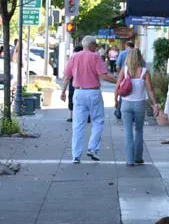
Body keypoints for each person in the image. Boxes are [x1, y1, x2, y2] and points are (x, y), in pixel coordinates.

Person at [60, 35, 117, 163]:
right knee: (98, 121)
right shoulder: (95, 57)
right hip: (93, 93)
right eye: (95, 46)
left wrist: (63, 92)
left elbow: (67, 77)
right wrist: (118, 81)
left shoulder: (74, 57)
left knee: (78, 124)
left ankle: (76, 155)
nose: (96, 48)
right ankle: (92, 148)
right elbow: (103, 76)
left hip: (78, 92)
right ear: (92, 46)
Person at [114, 49, 158, 166]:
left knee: (128, 131)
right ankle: (138, 157)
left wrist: (116, 101)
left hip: (126, 104)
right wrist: (155, 104)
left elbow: (117, 86)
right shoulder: (144, 72)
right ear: (140, 58)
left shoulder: (125, 70)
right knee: (139, 130)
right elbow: (150, 90)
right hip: (139, 104)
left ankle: (129, 160)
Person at [114, 42, 142, 120]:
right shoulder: (138, 54)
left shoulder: (123, 53)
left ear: (126, 46)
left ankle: (119, 112)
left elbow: (117, 66)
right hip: (138, 79)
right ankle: (133, 115)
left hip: (125, 75)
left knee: (124, 93)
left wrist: (121, 74)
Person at [66, 44, 84, 122]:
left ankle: (71, 116)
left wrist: (63, 91)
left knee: (71, 99)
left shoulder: (72, 59)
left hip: (74, 83)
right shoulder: (87, 59)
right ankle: (87, 116)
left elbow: (67, 76)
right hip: (85, 84)